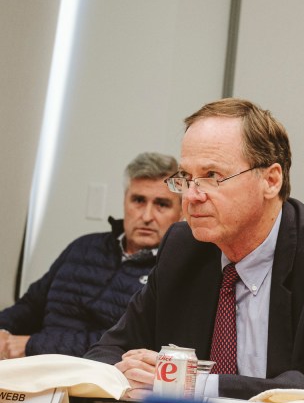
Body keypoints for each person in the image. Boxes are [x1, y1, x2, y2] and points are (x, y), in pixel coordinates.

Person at [88, 98, 304, 399]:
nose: (191, 196)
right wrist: (125, 374)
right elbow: (109, 350)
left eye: (212, 176)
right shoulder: (183, 247)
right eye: (186, 178)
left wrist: (193, 385)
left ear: (271, 180)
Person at [0, 152, 181, 359]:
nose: (147, 216)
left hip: (97, 378)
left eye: (162, 204)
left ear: (181, 212)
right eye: (138, 200)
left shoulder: (173, 269)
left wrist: (33, 345)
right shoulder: (84, 247)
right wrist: (3, 331)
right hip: (34, 368)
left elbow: (127, 342)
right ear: (125, 201)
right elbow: (31, 305)